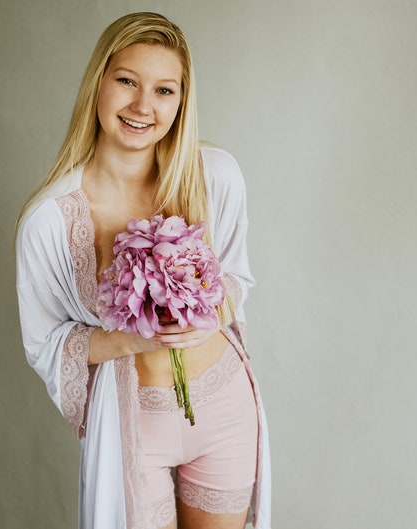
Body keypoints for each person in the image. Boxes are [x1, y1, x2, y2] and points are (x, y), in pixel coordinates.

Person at [14, 12, 271, 529]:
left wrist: (199, 307)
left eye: (164, 90)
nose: (142, 106)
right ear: (99, 83)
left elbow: (237, 281)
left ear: (181, 102)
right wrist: (136, 335)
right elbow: (47, 345)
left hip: (224, 409)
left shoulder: (215, 176)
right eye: (127, 81)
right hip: (136, 425)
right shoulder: (47, 221)